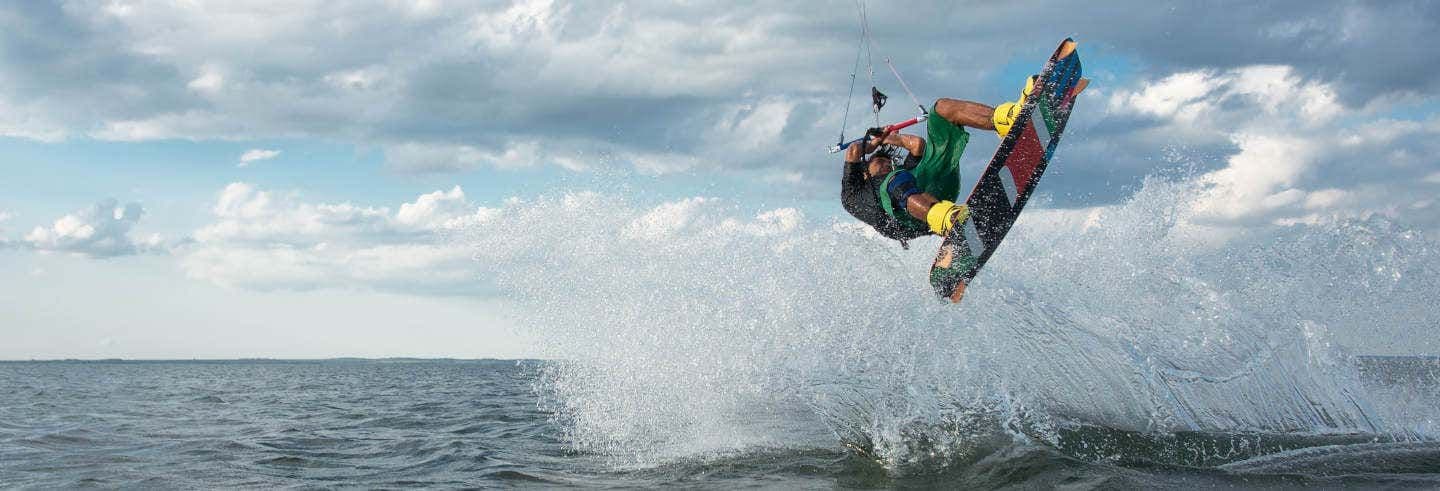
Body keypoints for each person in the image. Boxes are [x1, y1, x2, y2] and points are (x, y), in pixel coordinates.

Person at [840, 79, 1033, 247]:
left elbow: (917, 145)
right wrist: (874, 144)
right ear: (865, 172)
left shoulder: (902, 173)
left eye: (888, 161)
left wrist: (889, 138)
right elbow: (854, 151)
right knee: (895, 180)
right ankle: (950, 221)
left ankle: (1010, 118)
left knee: (941, 108)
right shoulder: (852, 193)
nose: (888, 163)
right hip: (907, 221)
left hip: (932, 191)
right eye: (881, 162)